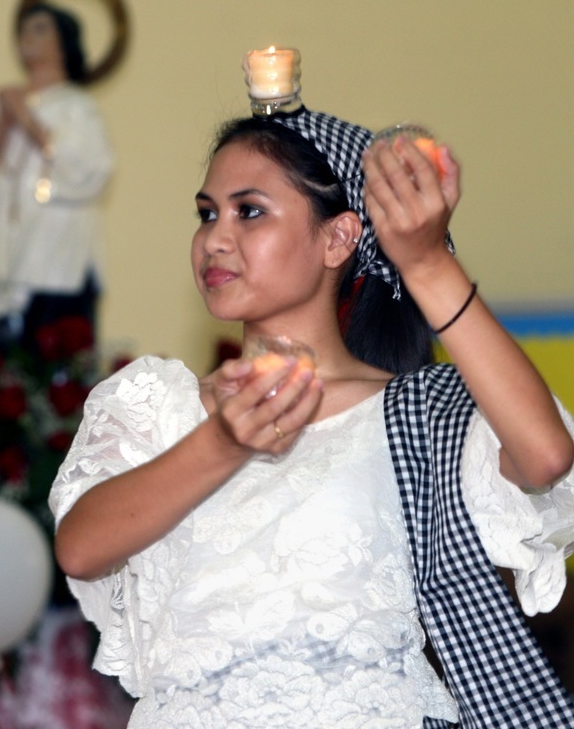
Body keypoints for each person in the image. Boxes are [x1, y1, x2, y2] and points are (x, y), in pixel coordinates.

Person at [49, 101, 574, 727]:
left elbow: (546, 457)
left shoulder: (415, 412)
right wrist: (223, 440)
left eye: (250, 211)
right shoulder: (157, 403)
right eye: (207, 213)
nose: (215, 237)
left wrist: (428, 262)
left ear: (338, 238)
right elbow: (81, 548)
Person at [0, 1, 113, 351]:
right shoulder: (4, 106)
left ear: (64, 41)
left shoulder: (78, 107)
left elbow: (90, 171)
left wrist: (27, 118)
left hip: (56, 254)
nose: (26, 36)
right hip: (9, 244)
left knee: (55, 362)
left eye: (40, 28)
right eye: (24, 28)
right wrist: (4, 118)